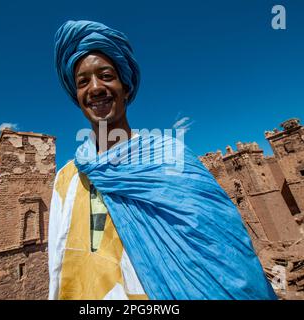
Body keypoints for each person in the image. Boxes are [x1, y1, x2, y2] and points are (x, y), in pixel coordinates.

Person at [48, 20, 277, 300]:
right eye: (83, 82)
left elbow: (226, 256)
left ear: (126, 88)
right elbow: (59, 265)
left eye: (106, 76)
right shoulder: (66, 179)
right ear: (77, 97)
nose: (95, 88)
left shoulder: (171, 157)